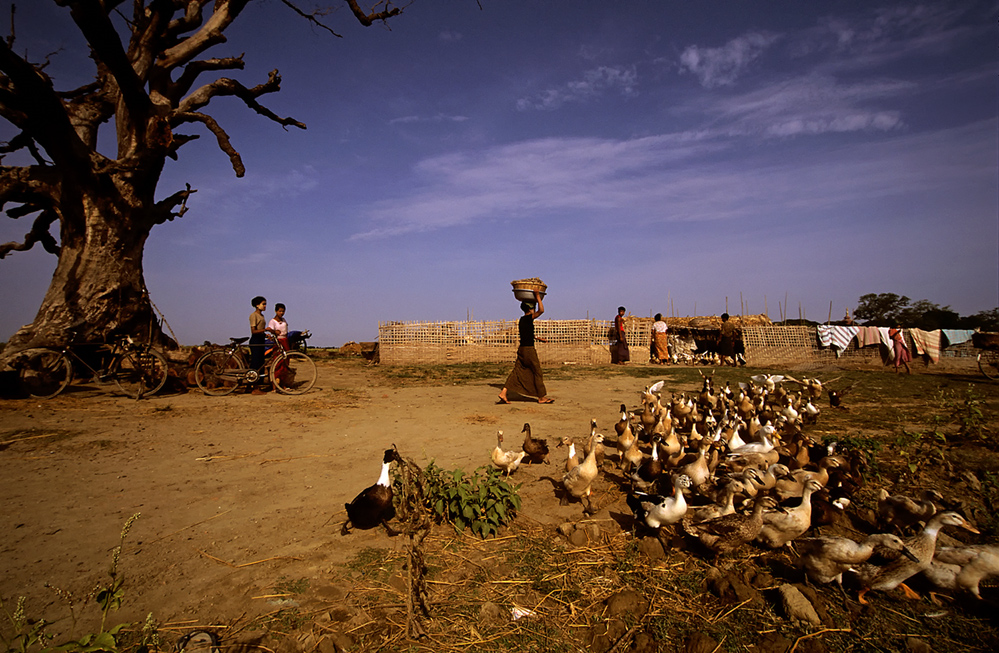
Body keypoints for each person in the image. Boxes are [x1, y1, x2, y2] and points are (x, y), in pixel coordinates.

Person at [498, 291, 553, 404]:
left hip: (522, 349)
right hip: (528, 350)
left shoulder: (522, 320)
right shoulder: (529, 318)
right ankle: (541, 397)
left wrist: (538, 338)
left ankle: (503, 392)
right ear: (530, 309)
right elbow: (542, 311)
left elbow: (527, 333)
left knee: (517, 371)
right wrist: (538, 296)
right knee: (537, 372)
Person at [248, 296, 270, 395]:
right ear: (257, 305)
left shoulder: (262, 316)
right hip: (256, 341)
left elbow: (261, 330)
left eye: (265, 304)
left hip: (261, 340)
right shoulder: (254, 316)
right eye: (263, 304)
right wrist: (265, 330)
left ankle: (250, 386)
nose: (265, 306)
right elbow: (254, 331)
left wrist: (267, 335)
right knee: (256, 364)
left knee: (261, 363)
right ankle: (254, 387)